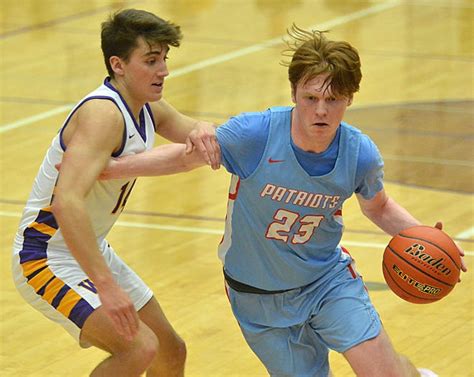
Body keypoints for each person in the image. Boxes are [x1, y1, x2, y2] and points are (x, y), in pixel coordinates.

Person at [88, 25, 467, 377]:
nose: (320, 110)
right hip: (257, 298)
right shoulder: (255, 135)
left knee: (383, 372)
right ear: (293, 94)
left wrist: (423, 238)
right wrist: (113, 167)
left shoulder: (358, 153)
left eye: (333, 100)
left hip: (326, 281)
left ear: (349, 99)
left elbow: (379, 206)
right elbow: (187, 157)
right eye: (311, 97)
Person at [12, 8, 220, 377]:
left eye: (165, 59)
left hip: (90, 247)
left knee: (170, 351)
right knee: (139, 348)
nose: (164, 71)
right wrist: (106, 287)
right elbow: (66, 202)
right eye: (151, 60)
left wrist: (204, 126)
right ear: (118, 65)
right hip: (45, 255)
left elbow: (196, 135)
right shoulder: (102, 114)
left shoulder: (146, 106)